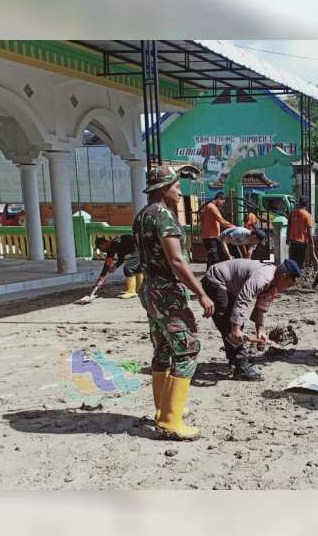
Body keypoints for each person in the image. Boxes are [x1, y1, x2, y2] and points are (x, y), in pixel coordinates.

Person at [134, 164, 215, 441]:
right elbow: (177, 261)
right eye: (177, 187)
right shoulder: (164, 216)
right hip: (168, 292)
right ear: (163, 189)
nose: (180, 192)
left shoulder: (142, 215)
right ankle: (170, 420)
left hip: (150, 290)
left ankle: (164, 409)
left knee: (163, 348)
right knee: (188, 348)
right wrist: (200, 293)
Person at [201, 258, 302, 381]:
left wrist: (261, 331)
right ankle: (240, 367)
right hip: (216, 280)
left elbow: (261, 307)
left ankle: (235, 360)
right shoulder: (262, 278)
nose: (287, 288)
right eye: (289, 285)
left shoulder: (273, 282)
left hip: (230, 286)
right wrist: (236, 328)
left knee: (235, 321)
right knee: (229, 322)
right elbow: (243, 299)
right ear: (283, 277)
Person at [90, 234, 142, 300]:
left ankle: (131, 292)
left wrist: (102, 277)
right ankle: (140, 289)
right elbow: (121, 258)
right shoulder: (116, 244)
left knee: (128, 268)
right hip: (138, 249)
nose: (101, 251)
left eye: (100, 248)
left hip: (137, 250)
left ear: (104, 244)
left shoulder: (112, 246)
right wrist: (115, 267)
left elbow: (107, 264)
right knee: (137, 269)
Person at [201, 191, 233, 269]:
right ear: (219, 199)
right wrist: (233, 227)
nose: (222, 204)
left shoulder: (208, 206)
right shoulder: (212, 207)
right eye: (222, 202)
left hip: (212, 236)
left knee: (216, 257)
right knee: (213, 258)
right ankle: (210, 276)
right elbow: (221, 221)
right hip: (211, 237)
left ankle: (213, 274)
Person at [287, 198, 314, 267]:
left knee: (292, 262)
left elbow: (289, 226)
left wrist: (287, 238)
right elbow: (309, 231)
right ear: (307, 204)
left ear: (299, 203)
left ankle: (292, 276)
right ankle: (298, 276)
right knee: (300, 263)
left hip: (293, 241)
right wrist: (312, 243)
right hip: (302, 243)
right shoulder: (308, 215)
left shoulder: (292, 213)